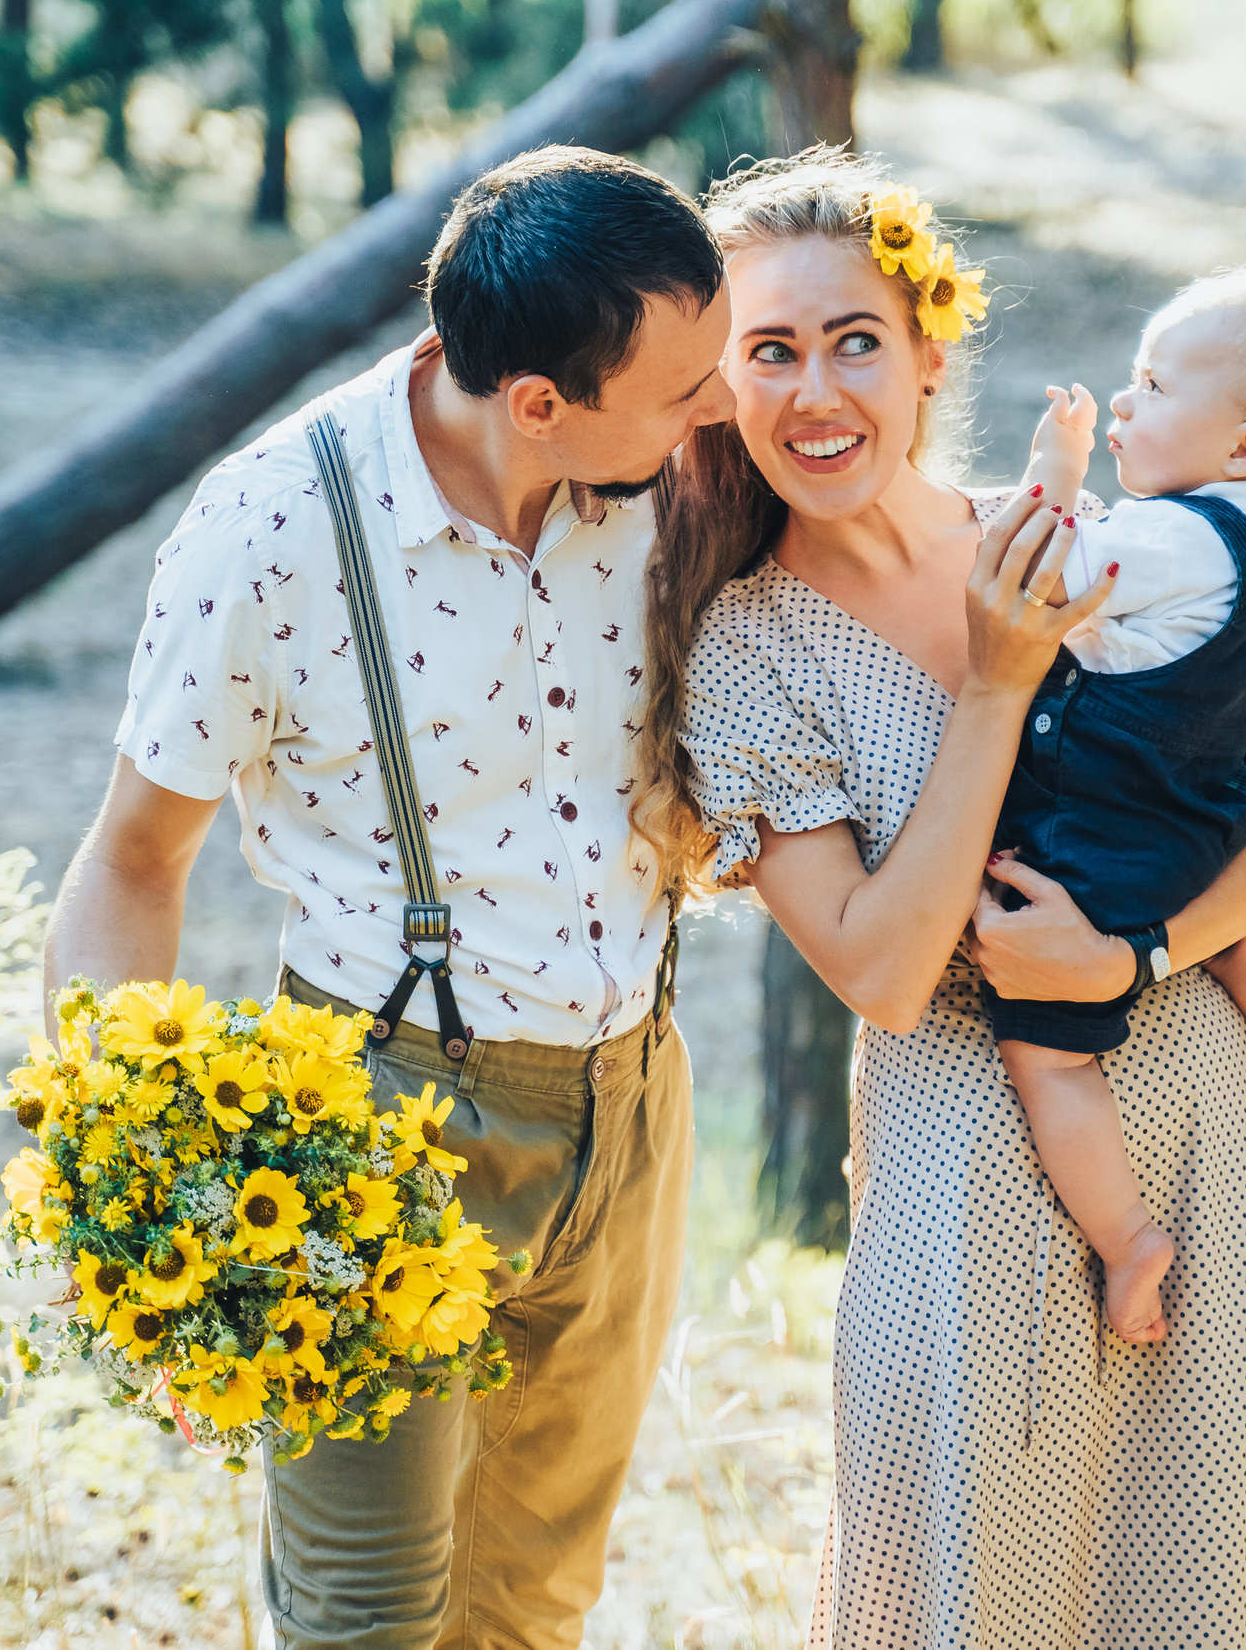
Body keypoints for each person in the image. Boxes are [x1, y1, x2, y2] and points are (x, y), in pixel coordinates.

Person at [637, 151, 1246, 1648]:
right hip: (971, 1187)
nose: (815, 388)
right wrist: (1000, 679)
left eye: (853, 340)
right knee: (981, 1603)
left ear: (925, 357)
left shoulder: (1062, 538)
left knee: (1208, 1599)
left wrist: (1129, 947)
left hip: (1206, 1153)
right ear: (717, 387)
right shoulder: (746, 647)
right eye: (768, 350)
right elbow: (887, 972)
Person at [41, 146, 734, 1650]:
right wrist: (140, 1207)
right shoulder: (273, 527)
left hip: (634, 1100)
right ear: (538, 402)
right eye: (686, 389)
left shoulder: (660, 474)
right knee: (368, 1620)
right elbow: (133, 861)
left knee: (531, 1601)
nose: (721, 408)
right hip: (384, 1130)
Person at [987, 271, 1246, 1344]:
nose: (1120, 404)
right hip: (1206, 818)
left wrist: (1051, 476)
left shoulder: (1169, 541)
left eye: (1151, 386)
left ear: (1244, 448)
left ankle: (1126, 1241)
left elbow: (1040, 578)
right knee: (1240, 937)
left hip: (1098, 832)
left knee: (1048, 1054)